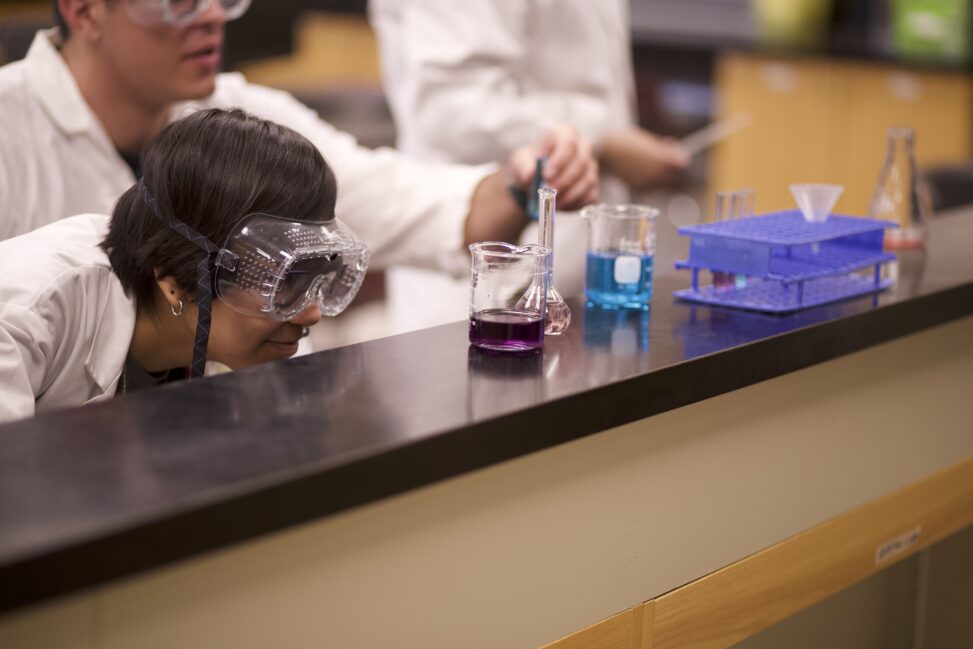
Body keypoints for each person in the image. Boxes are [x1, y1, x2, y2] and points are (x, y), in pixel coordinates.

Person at [0, 0, 598, 278]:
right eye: (179, 1)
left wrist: (523, 185)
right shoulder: (10, 129)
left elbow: (395, 202)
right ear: (84, 12)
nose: (210, 16)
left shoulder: (238, 114)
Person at [0, 108, 370, 424]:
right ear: (173, 278)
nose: (311, 314)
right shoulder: (21, 317)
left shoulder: (228, 337)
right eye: (284, 280)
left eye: (319, 276)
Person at [369, 0, 690, 331]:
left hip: (573, 269)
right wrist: (605, 141)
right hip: (479, 284)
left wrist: (610, 139)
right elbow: (449, 110)